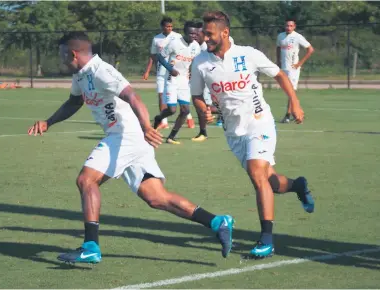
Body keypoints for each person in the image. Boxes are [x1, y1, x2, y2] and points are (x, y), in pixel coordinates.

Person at [27, 32, 234, 264]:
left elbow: (133, 97)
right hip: (126, 137)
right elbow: (74, 101)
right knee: (156, 197)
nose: (60, 58)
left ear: (72, 53)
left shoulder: (102, 71)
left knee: (86, 180)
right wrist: (49, 121)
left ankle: (90, 246)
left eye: (61, 53)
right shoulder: (81, 75)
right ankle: (218, 222)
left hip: (126, 134)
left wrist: (147, 126)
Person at [190, 11, 315, 259]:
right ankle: (297, 185)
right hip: (233, 132)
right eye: (204, 32)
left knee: (257, 173)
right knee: (270, 182)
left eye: (209, 33)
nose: (205, 37)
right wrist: (203, 110)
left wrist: (295, 103)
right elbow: (196, 94)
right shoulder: (200, 62)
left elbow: (280, 74)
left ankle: (266, 239)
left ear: (224, 32)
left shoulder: (248, 54)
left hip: (260, 122)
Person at [142, 16, 195, 129]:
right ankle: (163, 122)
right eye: (167, 26)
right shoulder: (156, 39)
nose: (169, 28)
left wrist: (189, 70)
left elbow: (188, 54)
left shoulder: (178, 37)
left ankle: (189, 118)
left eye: (171, 26)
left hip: (177, 74)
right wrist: (148, 70)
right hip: (162, 72)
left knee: (181, 100)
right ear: (162, 27)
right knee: (161, 96)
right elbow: (153, 55)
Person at [153, 21, 200, 145]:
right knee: (172, 110)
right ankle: (158, 118)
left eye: (195, 34)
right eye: (191, 33)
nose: (193, 36)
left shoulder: (196, 47)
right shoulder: (175, 43)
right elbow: (160, 57)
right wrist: (170, 69)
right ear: (185, 32)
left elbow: (195, 62)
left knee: (185, 110)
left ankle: (171, 137)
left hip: (184, 81)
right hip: (171, 80)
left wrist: (192, 73)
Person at [276, 18, 314, 123]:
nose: (288, 27)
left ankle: (289, 115)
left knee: (291, 91)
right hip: (283, 68)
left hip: (293, 69)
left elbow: (310, 49)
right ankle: (297, 112)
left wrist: (299, 63)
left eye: (290, 26)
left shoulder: (297, 37)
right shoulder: (281, 36)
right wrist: (278, 61)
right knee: (289, 92)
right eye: (287, 26)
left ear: (294, 27)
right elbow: (278, 48)